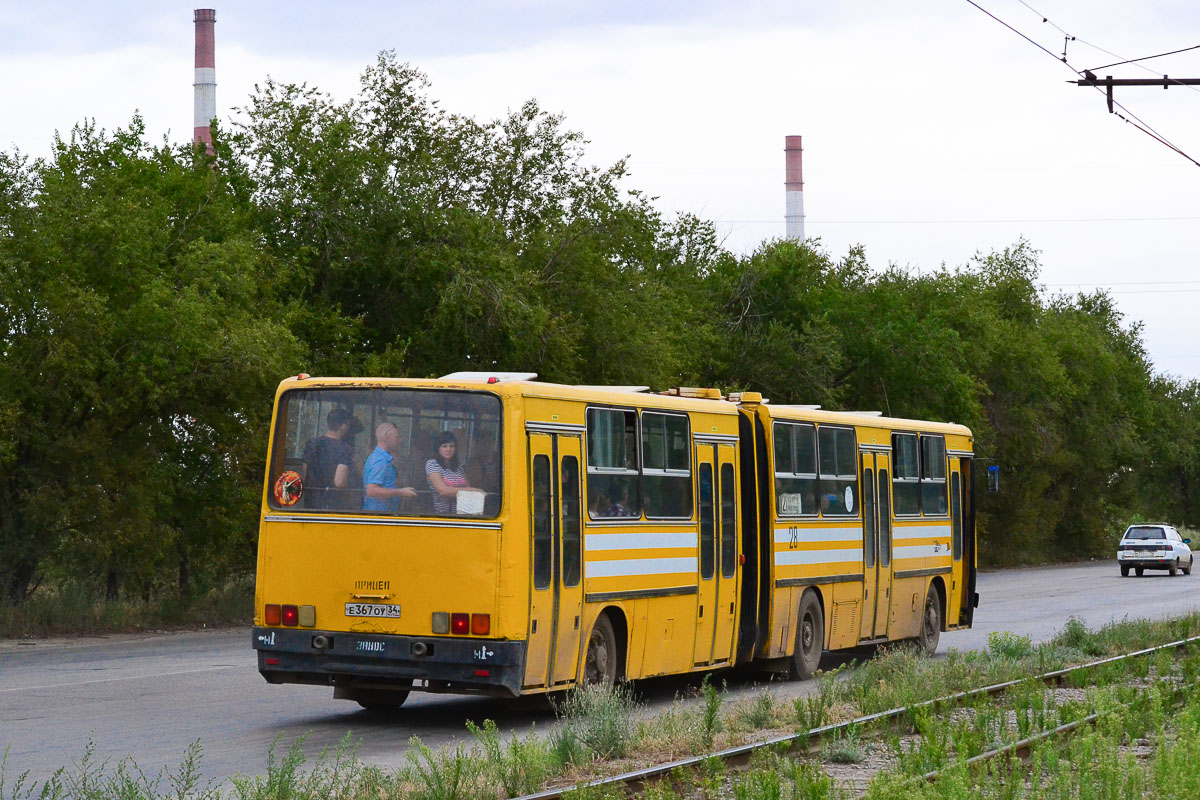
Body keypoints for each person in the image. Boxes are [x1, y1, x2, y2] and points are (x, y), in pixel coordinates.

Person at [302, 408, 363, 510]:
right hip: (333, 505)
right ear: (343, 426)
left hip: (310, 502)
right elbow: (339, 482)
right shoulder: (345, 449)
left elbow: (304, 475)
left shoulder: (311, 444)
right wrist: (352, 488)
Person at [363, 422, 418, 512]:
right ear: (386, 438)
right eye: (397, 437)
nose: (399, 441)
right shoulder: (380, 461)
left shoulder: (377, 457)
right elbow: (371, 490)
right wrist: (401, 491)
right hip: (379, 515)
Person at [426, 431, 473, 515]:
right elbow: (442, 491)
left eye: (451, 446)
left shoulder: (459, 467)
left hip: (461, 514)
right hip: (441, 515)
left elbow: (468, 488)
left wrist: (469, 491)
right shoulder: (432, 464)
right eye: (444, 446)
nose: (448, 449)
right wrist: (473, 490)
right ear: (438, 448)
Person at [465, 428, 500, 495]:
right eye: (484, 442)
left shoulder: (500, 459)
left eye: (490, 441)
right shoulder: (473, 462)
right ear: (478, 444)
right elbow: (475, 485)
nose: (488, 445)